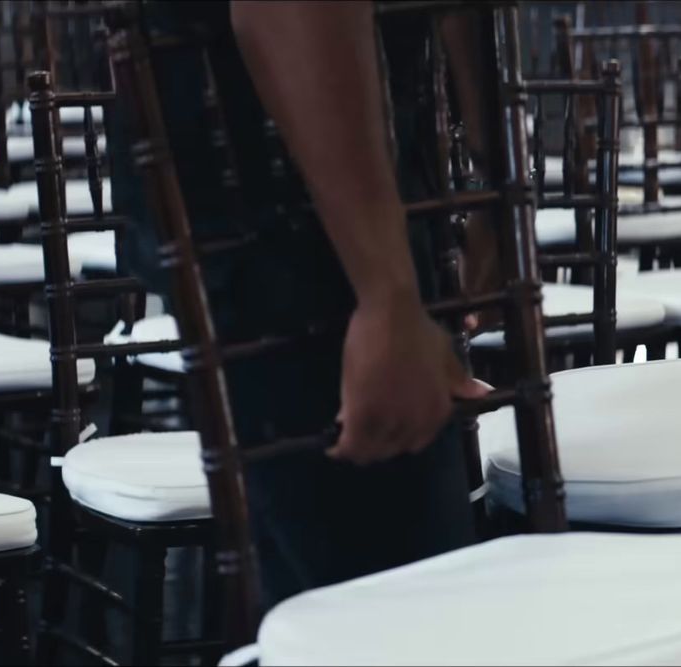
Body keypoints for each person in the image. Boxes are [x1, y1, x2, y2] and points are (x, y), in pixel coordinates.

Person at [109, 0, 493, 607]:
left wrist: (489, 177)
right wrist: (384, 294)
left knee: (415, 598)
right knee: (389, 615)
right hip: (284, 206)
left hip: (358, 188)